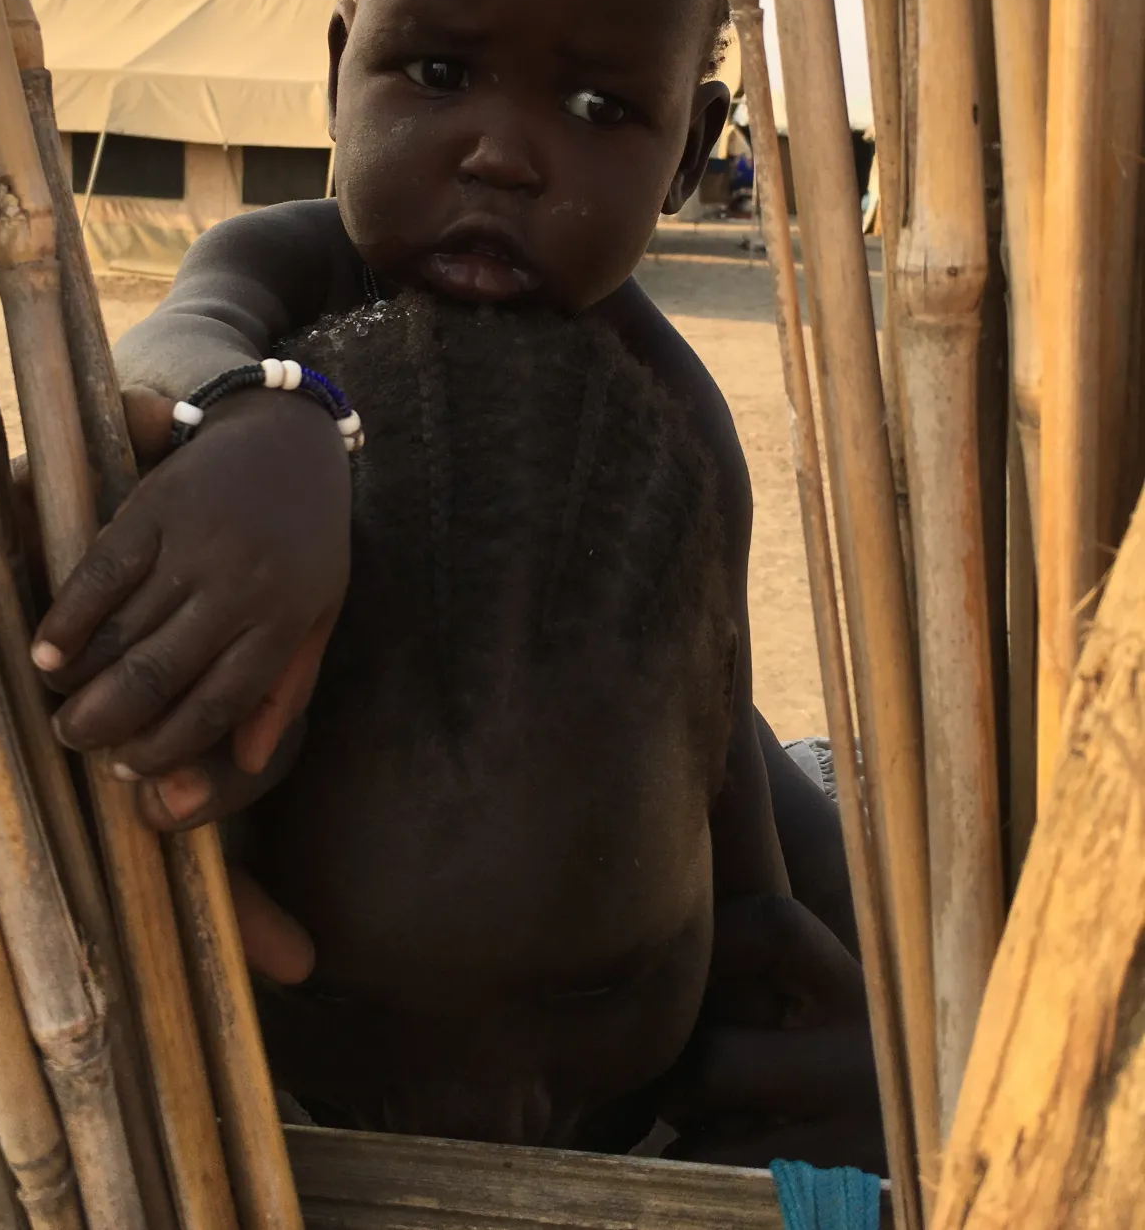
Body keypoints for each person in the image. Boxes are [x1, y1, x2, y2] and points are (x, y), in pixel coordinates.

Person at [30, 0, 866, 1147]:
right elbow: (185, 330)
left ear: (689, 138)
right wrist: (270, 423)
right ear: (343, 67)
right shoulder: (300, 265)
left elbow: (724, 785)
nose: (501, 149)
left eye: (599, 104)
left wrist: (845, 1017)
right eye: (435, 73)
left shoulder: (675, 423)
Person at [216, 290, 880, 1164]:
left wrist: (905, 1158)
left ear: (720, 747)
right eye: (331, 1002)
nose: (481, 1130)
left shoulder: (857, 1053)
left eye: (592, 990)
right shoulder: (169, 1112)